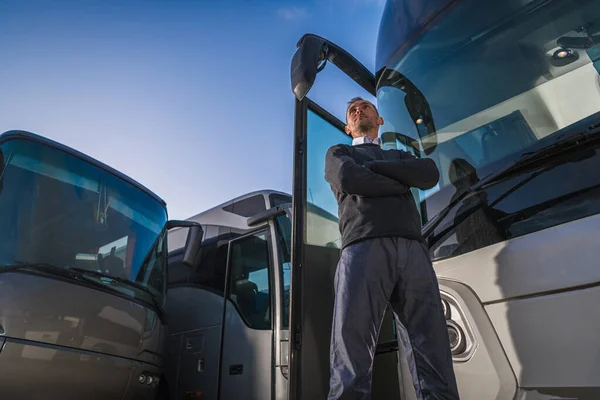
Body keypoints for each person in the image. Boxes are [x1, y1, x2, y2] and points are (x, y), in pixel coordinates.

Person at [324, 97, 460, 400]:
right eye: (353, 110)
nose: (359, 110)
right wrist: (399, 181)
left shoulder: (399, 154)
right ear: (348, 127)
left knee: (433, 351)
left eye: (366, 107)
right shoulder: (339, 153)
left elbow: (428, 173)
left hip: (414, 250)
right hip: (362, 247)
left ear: (379, 120)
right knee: (352, 351)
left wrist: (372, 168)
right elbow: (347, 176)